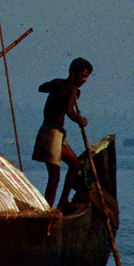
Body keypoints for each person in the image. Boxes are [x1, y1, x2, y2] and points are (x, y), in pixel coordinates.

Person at [32, 57, 92, 209]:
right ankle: (47, 209)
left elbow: (42, 87)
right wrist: (81, 121)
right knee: (54, 176)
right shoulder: (70, 88)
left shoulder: (59, 84)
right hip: (51, 134)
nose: (85, 80)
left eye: (87, 77)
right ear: (74, 73)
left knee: (75, 164)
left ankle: (63, 201)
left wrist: (60, 89)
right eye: (83, 76)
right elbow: (69, 111)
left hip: (54, 133)